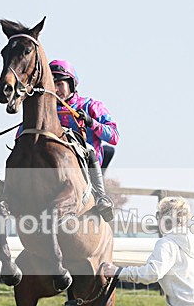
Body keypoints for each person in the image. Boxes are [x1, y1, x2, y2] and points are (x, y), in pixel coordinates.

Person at [17, 59, 119, 221]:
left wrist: (91, 122)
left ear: (71, 84)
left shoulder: (90, 105)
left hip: (84, 160)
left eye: (60, 84)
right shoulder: (43, 110)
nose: (56, 90)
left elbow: (114, 136)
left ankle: (101, 197)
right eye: (52, 84)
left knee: (89, 149)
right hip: (51, 164)